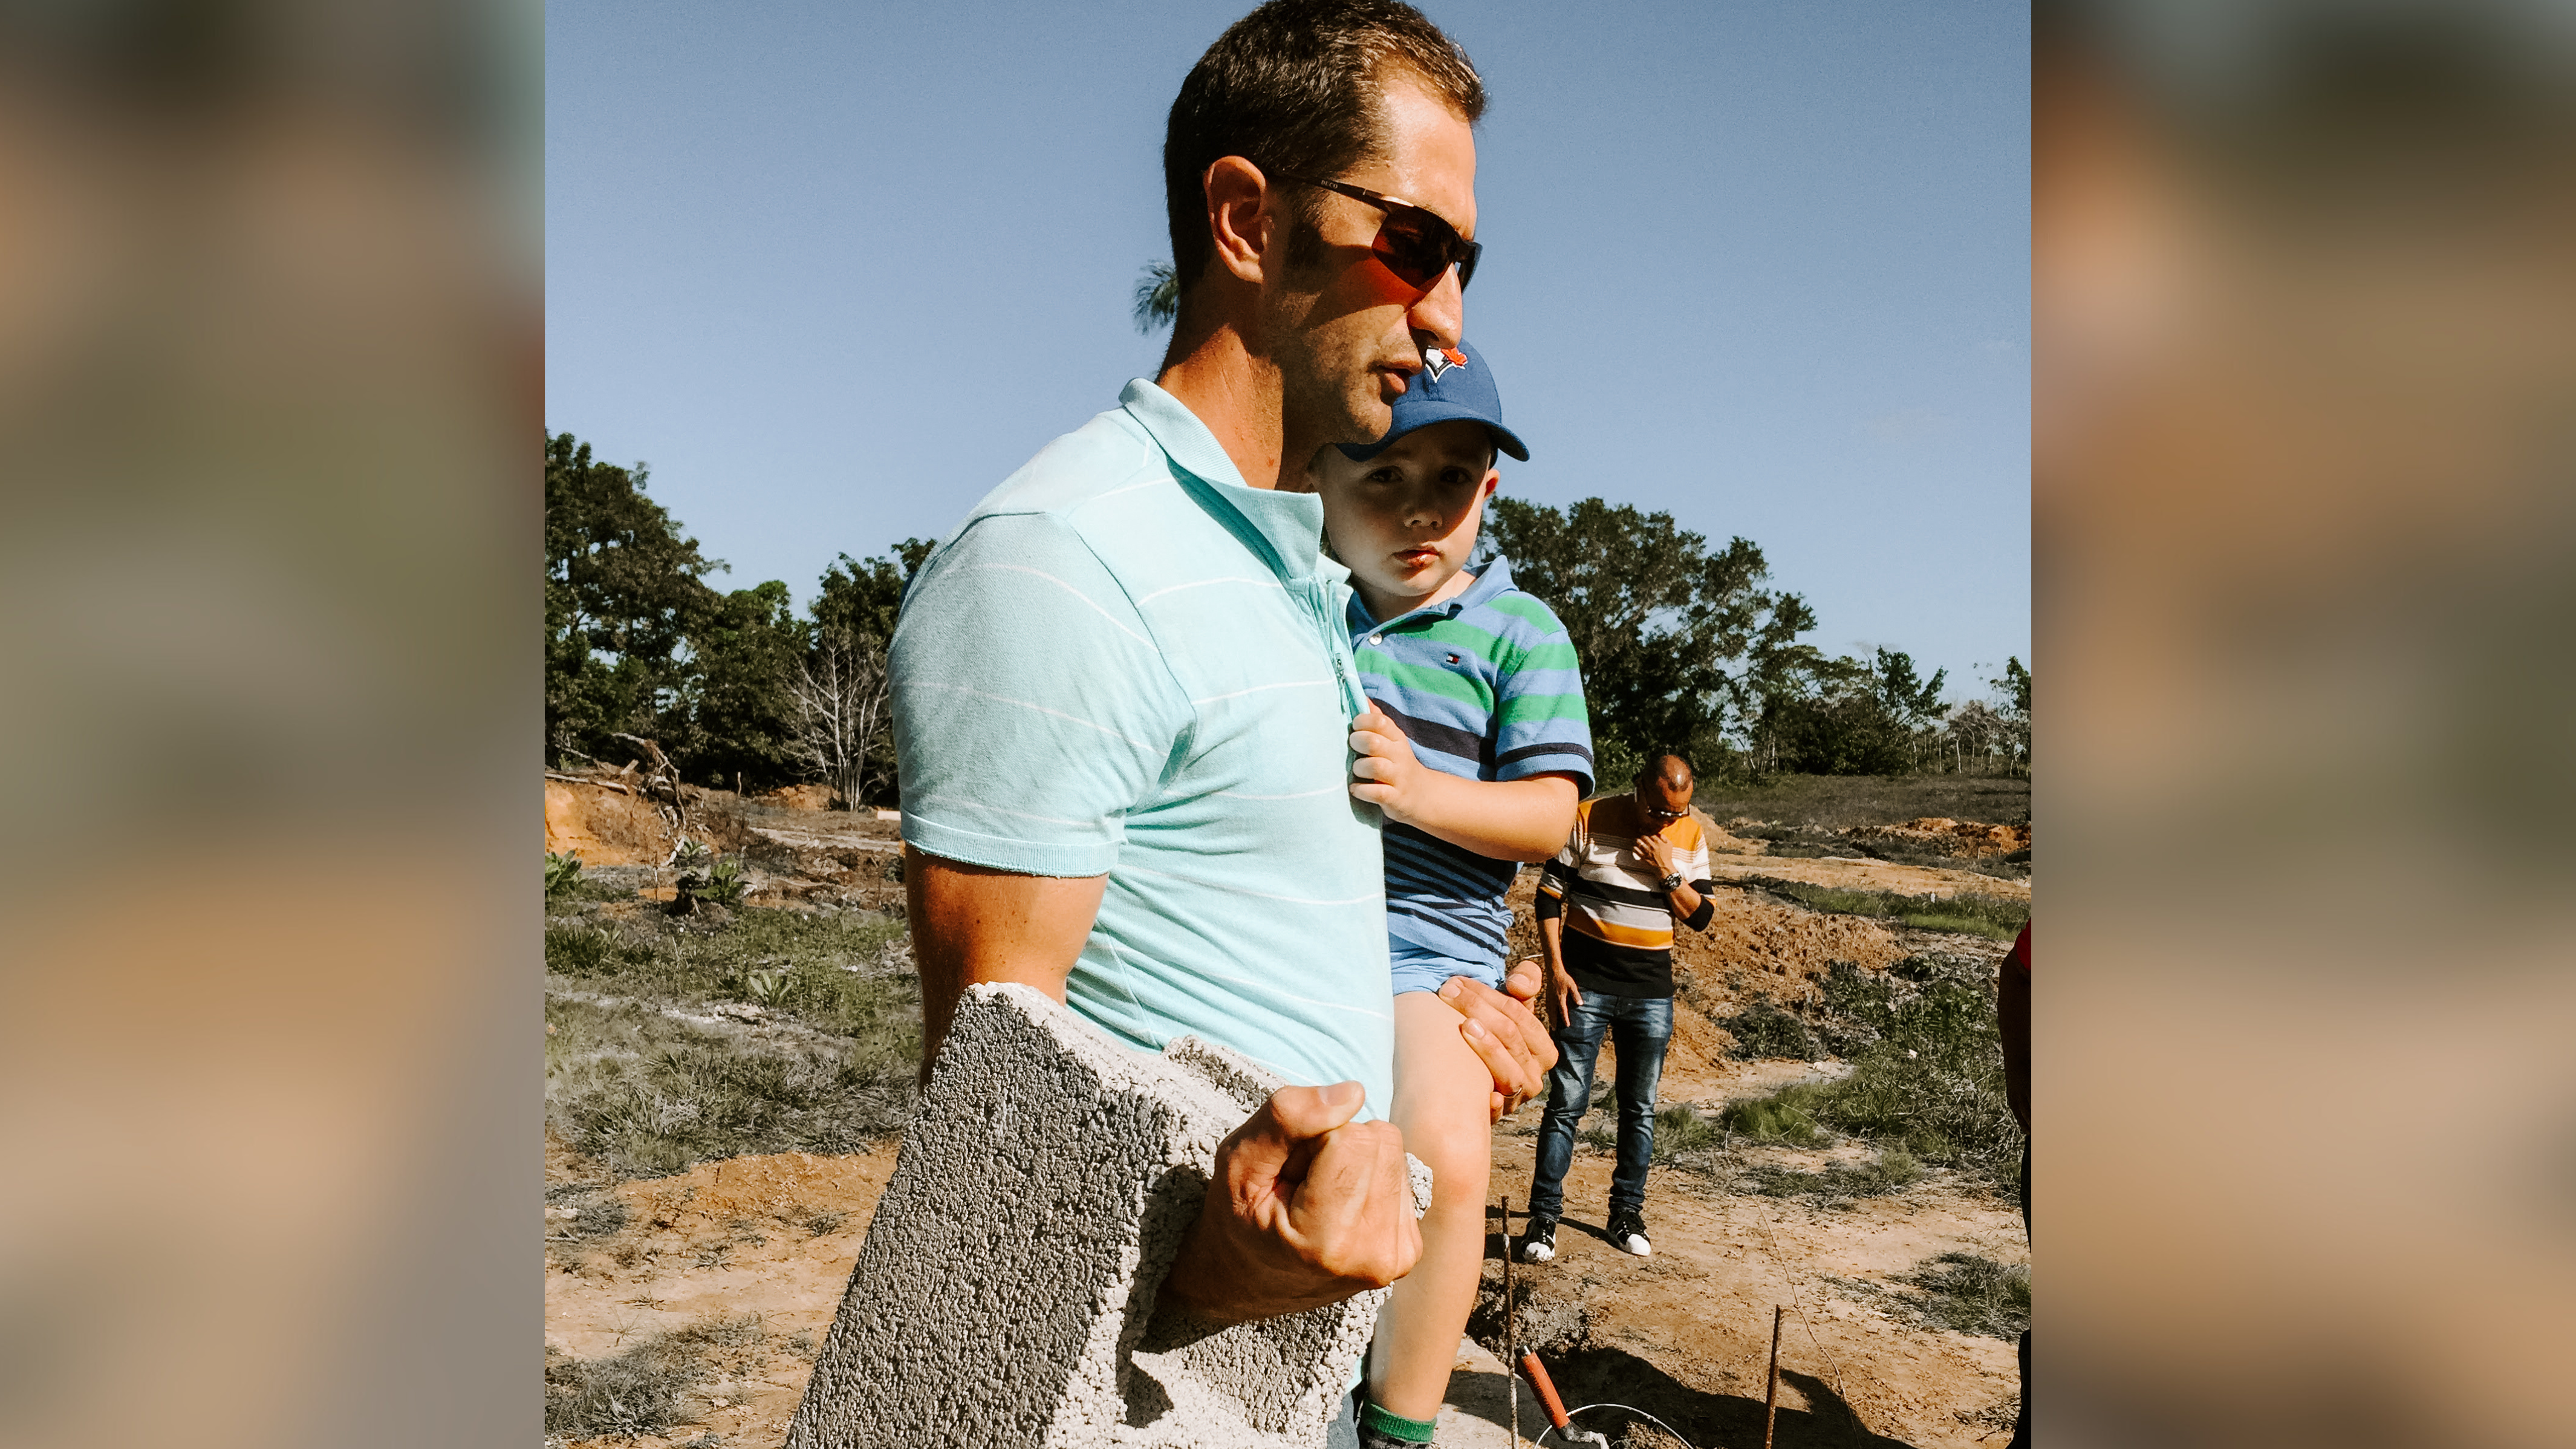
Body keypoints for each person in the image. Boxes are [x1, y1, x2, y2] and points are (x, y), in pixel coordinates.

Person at [885, 0, 1558, 1388]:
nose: (1444, 321)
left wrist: (1441, 1026)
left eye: (1463, 266)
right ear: (1247, 222)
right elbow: (986, 1176)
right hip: (1137, 1382)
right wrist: (1228, 1270)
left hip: (1267, 1383)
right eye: (1414, 247)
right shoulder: (1065, 564)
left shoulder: (1293, 576)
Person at [1312, 337, 1592, 1447]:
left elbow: (1549, 816)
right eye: (1383, 475)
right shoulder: (1304, 609)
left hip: (1425, 961)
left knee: (1446, 1152)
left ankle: (1401, 1424)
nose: (1420, 511)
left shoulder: (1519, 632)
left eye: (1450, 480)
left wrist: (1421, 791)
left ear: (1491, 487)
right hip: (1297, 937)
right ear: (1317, 485)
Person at [1518, 754, 1717, 1263]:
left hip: (1651, 994)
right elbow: (1548, 896)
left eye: (1678, 811)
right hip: (1584, 987)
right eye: (1658, 811)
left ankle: (1626, 1212)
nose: (1667, 821)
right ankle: (1544, 1218)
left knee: (1640, 1110)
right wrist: (1556, 971)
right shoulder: (1588, 817)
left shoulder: (1689, 837)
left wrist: (1668, 873)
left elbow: (1702, 918)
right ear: (1637, 789)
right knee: (1566, 1104)